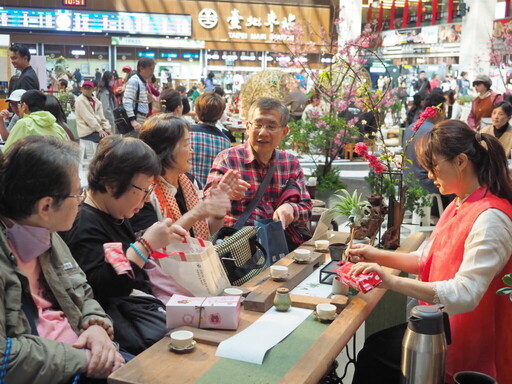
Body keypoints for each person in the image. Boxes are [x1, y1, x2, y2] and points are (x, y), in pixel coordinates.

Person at [349, 120, 512, 384]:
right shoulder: (460, 203)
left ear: (460, 161)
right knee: (375, 348)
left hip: (468, 345)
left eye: (433, 167)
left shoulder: (491, 217)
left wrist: (390, 280)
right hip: (442, 328)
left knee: (375, 353)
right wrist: (375, 254)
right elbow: (427, 261)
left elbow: (466, 293)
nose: (429, 176)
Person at [0, 136, 125, 383]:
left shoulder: (47, 236)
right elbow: (4, 358)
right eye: (77, 193)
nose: (81, 200)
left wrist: (96, 326)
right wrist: (85, 360)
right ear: (46, 207)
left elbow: (83, 293)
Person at [62, 135, 189, 355]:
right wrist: (146, 245)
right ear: (111, 186)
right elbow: (103, 289)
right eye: (143, 190)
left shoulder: (116, 214)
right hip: (124, 332)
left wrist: (160, 239)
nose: (147, 199)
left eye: (150, 191)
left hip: (145, 314)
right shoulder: (84, 225)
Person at [205, 97, 313, 250]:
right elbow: (207, 203)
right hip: (239, 249)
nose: (263, 132)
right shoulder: (228, 160)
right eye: (258, 125)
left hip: (279, 244)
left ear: (284, 132)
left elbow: (306, 207)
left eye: (271, 126)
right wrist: (223, 195)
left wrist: (290, 209)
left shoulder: (290, 163)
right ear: (248, 127)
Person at [132, 114, 246, 239]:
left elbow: (210, 235)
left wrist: (218, 213)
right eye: (186, 144)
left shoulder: (189, 181)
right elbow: (149, 244)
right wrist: (196, 213)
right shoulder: (145, 191)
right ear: (165, 150)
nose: (192, 150)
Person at [3, 90, 68, 151]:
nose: (17, 108)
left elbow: (7, 151)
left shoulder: (24, 124)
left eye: (19, 104)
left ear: (24, 106)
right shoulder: (57, 127)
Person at [189, 92, 231, 186]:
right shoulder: (225, 141)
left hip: (186, 191)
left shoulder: (185, 134)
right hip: (210, 194)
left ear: (196, 110)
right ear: (220, 115)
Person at [123, 57, 156, 132]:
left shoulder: (143, 82)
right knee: (134, 141)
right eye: (150, 69)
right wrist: (132, 120)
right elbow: (127, 101)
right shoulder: (134, 81)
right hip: (136, 118)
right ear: (141, 68)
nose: (152, 72)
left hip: (141, 117)